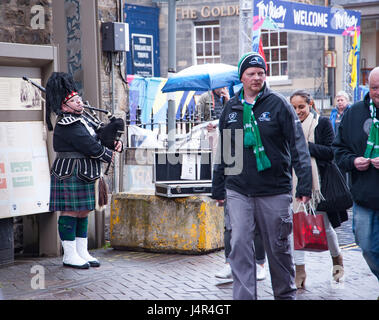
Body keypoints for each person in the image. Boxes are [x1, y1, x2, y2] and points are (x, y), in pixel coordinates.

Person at [212, 52, 312, 300]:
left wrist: (304, 185)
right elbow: (224, 151)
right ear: (241, 78)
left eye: (260, 73)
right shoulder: (231, 108)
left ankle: (285, 295)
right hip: (238, 191)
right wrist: (218, 188)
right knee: (240, 249)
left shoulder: (278, 105)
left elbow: (298, 145)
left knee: (279, 250)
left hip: (274, 190)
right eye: (251, 74)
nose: (257, 78)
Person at [45, 72, 122, 269]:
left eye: (79, 99)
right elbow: (89, 145)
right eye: (74, 100)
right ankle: (69, 255)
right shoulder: (67, 124)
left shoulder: (83, 120)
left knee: (83, 211)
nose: (79, 103)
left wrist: (114, 140)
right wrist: (107, 153)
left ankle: (82, 252)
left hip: (85, 171)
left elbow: (100, 136)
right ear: (63, 106)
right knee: (71, 211)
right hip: (71, 171)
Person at [290, 90, 346, 289]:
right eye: (294, 108)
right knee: (295, 226)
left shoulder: (321, 123)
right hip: (295, 182)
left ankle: (337, 259)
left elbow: (331, 152)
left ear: (310, 105)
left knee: (326, 227)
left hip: (318, 185)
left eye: (301, 107)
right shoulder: (290, 126)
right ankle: (300, 270)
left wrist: (305, 146)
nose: (298, 112)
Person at [333, 67, 379, 282]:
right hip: (364, 195)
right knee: (367, 247)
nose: (378, 92)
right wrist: (352, 161)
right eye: (374, 88)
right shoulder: (353, 113)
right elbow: (338, 149)